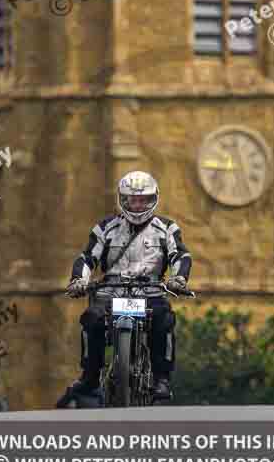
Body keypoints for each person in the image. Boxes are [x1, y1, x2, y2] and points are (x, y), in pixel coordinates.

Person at [61, 171, 192, 404]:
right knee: (91, 318)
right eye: (133, 199)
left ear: (153, 200)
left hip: (150, 290)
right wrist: (79, 281)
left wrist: (178, 279)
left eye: (144, 200)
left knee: (164, 320)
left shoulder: (167, 228)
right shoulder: (106, 228)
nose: (138, 205)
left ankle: (161, 378)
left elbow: (180, 256)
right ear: (123, 200)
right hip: (112, 290)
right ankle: (90, 377)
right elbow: (87, 257)